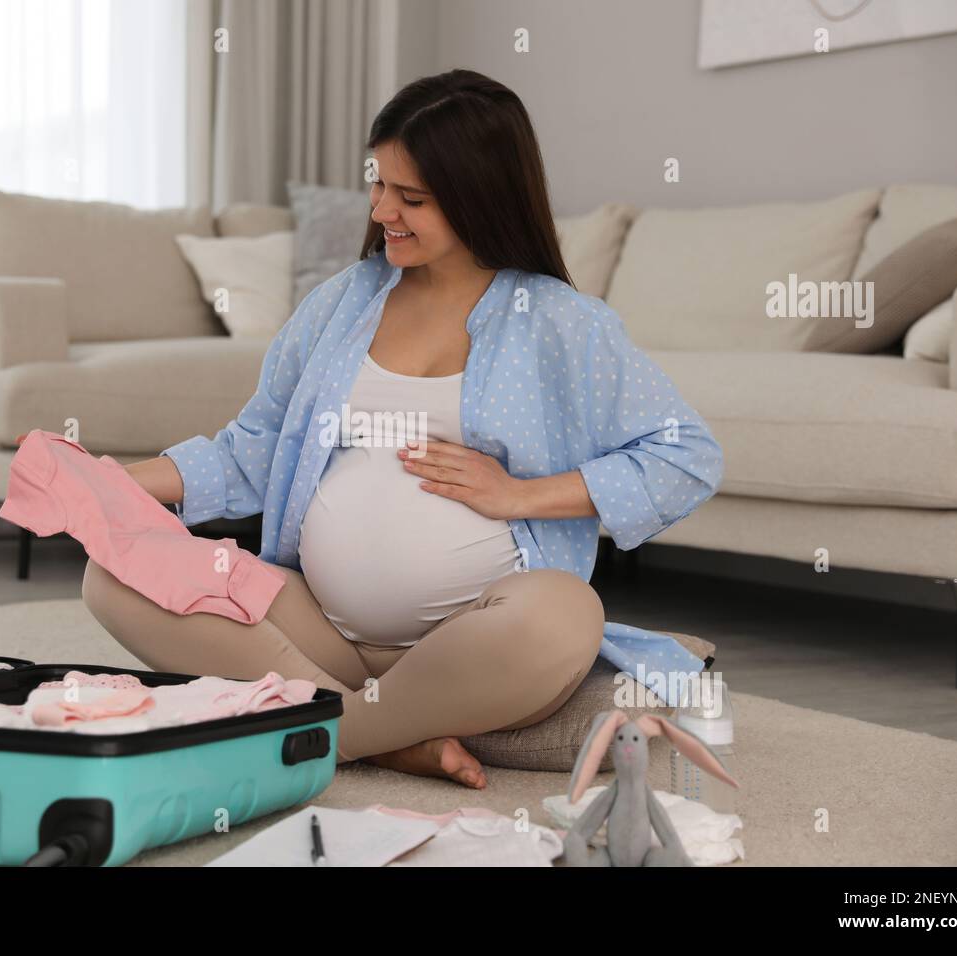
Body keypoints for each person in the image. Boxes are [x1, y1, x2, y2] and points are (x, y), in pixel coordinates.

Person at [80, 69, 723, 788]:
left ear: (480, 196)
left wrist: (522, 494)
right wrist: (110, 485)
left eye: (411, 197)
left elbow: (687, 457)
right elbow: (252, 450)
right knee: (115, 572)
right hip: (319, 632)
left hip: (480, 641)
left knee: (567, 614)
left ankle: (319, 727)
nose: (383, 208)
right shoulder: (342, 302)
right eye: (378, 183)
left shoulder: (559, 323)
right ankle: (380, 735)